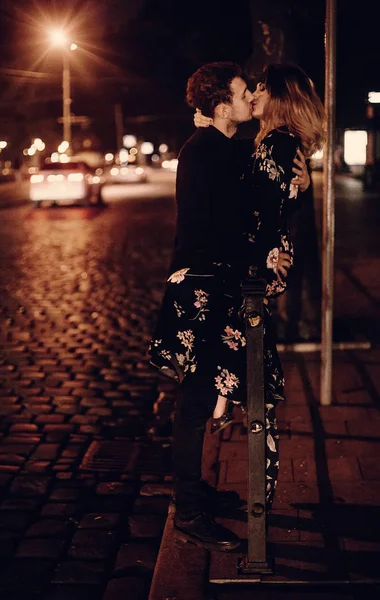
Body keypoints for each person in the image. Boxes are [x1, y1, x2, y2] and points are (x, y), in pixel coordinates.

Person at [149, 62, 311, 552]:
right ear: (223, 107)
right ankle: (190, 512)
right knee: (195, 404)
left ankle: (195, 495)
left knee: (204, 399)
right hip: (199, 290)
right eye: (243, 93)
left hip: (215, 289)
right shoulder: (205, 153)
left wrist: (299, 186)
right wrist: (263, 257)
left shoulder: (222, 148)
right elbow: (224, 227)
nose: (250, 98)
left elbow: (265, 184)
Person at [195, 63, 325, 429]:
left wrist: (261, 257)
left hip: (262, 256)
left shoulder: (276, 143)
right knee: (243, 328)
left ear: (280, 97)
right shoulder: (278, 142)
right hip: (267, 253)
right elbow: (277, 196)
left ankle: (231, 404)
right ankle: (231, 403)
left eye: (263, 88)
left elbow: (264, 210)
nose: (254, 94)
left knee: (232, 323)